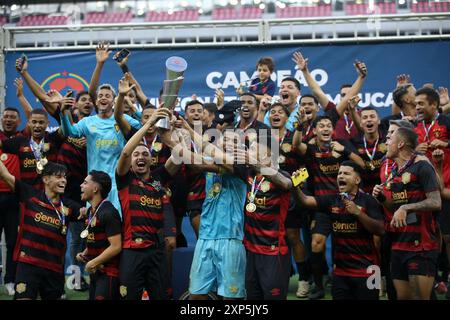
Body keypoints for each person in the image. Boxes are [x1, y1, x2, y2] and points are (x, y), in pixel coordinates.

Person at [116, 108, 187, 300]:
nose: (140, 157)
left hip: (157, 251)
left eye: (144, 154)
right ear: (131, 162)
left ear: (150, 159)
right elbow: (124, 152)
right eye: (136, 154)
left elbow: (179, 156)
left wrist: (171, 133)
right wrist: (148, 124)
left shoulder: (158, 179)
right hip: (132, 251)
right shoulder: (125, 179)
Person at [292, 115, 365, 299]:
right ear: (315, 130)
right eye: (321, 126)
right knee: (317, 243)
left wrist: (345, 152)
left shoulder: (341, 144)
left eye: (329, 126)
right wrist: (300, 128)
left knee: (350, 245)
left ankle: (356, 280)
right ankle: (318, 285)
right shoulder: (311, 148)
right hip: (323, 205)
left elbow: (362, 165)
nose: (326, 128)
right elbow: (296, 145)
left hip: (347, 202)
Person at [59, 57, 141, 215]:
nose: (103, 97)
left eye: (107, 96)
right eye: (100, 95)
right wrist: (63, 113)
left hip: (118, 183)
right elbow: (70, 132)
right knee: (95, 226)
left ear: (113, 101)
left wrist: (132, 106)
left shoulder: (122, 119)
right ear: (96, 101)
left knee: (117, 222)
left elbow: (144, 125)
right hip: (94, 184)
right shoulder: (88, 122)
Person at [294, 161, 385, 299]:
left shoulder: (369, 201)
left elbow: (380, 230)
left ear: (357, 180)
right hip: (341, 273)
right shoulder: (332, 200)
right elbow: (305, 201)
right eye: (339, 173)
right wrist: (295, 187)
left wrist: (358, 213)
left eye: (346, 173)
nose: (341, 176)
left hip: (368, 272)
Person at [373, 127, 441, 300]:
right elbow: (395, 208)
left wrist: (406, 208)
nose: (386, 143)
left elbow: (436, 202)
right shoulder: (396, 171)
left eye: (390, 139)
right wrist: (381, 198)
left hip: (422, 246)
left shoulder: (422, 165)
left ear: (401, 144)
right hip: (398, 244)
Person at [0, 161, 83, 300]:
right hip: (29, 264)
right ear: (45, 179)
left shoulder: (69, 206)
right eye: (58, 177)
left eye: (65, 177)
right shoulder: (30, 195)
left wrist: (85, 210)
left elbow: (86, 214)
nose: (63, 180)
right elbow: (4, 174)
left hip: (54, 269)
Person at [235, 134, 294, 299]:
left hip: (273, 252)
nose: (249, 150)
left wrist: (254, 162)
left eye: (254, 148)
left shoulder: (282, 176)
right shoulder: (248, 174)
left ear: (268, 155)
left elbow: (286, 184)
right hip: (250, 250)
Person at [268, 102, 310, 297]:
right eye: (272, 112)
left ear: (287, 117)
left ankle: (303, 280)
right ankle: (279, 276)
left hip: (291, 194)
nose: (275, 115)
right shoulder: (263, 137)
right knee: (274, 237)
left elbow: (306, 164)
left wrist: (296, 184)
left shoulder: (295, 135)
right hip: (268, 194)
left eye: (279, 112)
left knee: (293, 237)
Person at [77, 171, 122, 300]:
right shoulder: (93, 211)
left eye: (85, 183)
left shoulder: (108, 212)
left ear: (95, 189)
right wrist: (86, 253)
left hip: (109, 275)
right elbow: (99, 240)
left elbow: (116, 246)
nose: (81, 185)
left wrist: (93, 262)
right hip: (97, 273)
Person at [0, 107, 22, 295]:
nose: (8, 119)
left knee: (13, 241)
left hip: (14, 198)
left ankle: (10, 280)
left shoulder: (22, 139)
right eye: (5, 116)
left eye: (12, 117)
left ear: (18, 121)